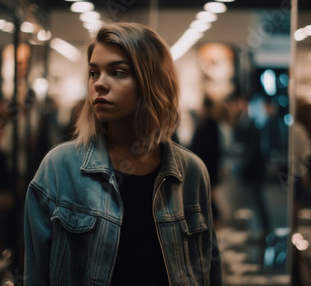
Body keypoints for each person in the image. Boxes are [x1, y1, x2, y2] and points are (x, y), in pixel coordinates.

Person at [24, 22, 222, 285]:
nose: (99, 84)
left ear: (152, 81)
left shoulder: (191, 172)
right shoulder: (59, 169)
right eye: (94, 73)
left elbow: (208, 271)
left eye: (117, 72)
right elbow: (36, 275)